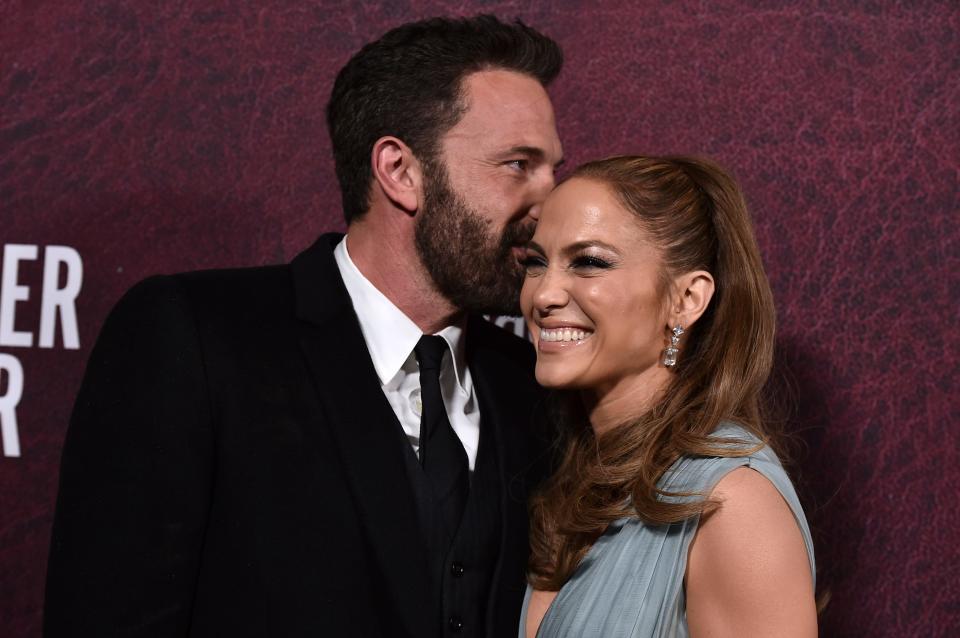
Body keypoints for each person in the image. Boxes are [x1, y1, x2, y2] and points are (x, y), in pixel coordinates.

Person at [44, 15, 564, 638]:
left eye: (552, 168)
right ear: (401, 171)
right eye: (517, 165)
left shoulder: (528, 383)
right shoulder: (198, 338)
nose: (550, 200)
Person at [517, 156, 817, 637]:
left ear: (687, 299)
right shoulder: (581, 479)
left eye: (589, 262)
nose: (543, 294)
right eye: (535, 263)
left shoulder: (733, 503)